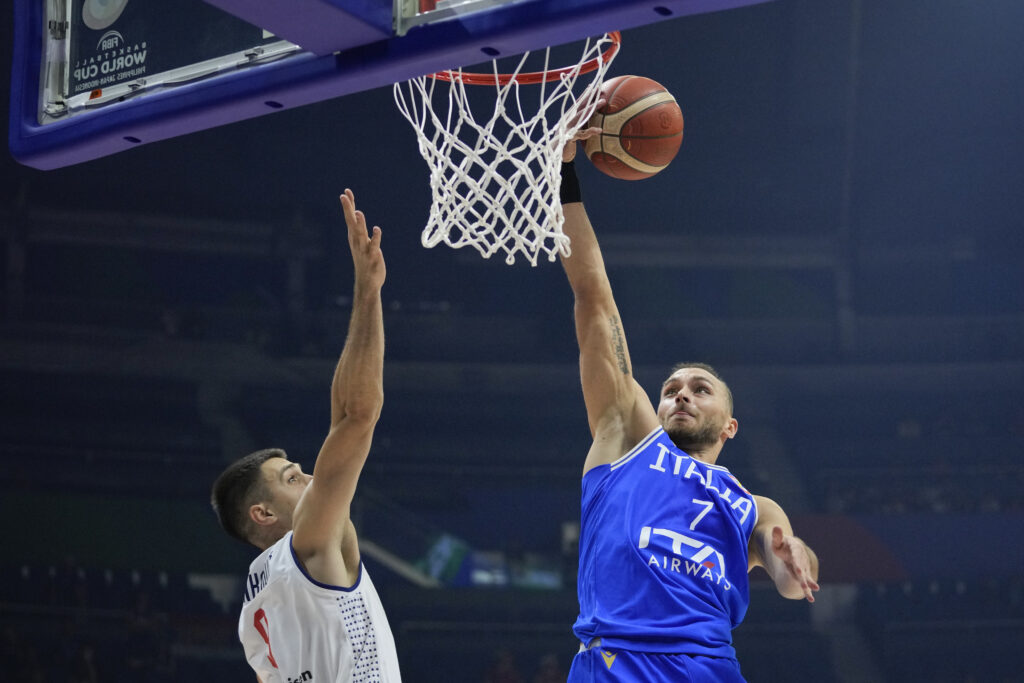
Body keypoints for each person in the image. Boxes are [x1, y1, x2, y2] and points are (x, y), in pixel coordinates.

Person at [557, 138, 819, 682]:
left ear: (730, 424)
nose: (681, 393)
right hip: (616, 662)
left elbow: (793, 580)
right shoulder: (627, 435)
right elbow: (593, 296)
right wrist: (564, 179)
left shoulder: (753, 506)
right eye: (672, 387)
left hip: (707, 668)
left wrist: (792, 555)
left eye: (701, 389)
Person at [211, 189, 400, 682]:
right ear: (264, 513)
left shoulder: (255, 604)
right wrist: (367, 291)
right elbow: (357, 416)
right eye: (292, 478)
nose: (312, 476)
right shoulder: (310, 544)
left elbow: (344, 417)